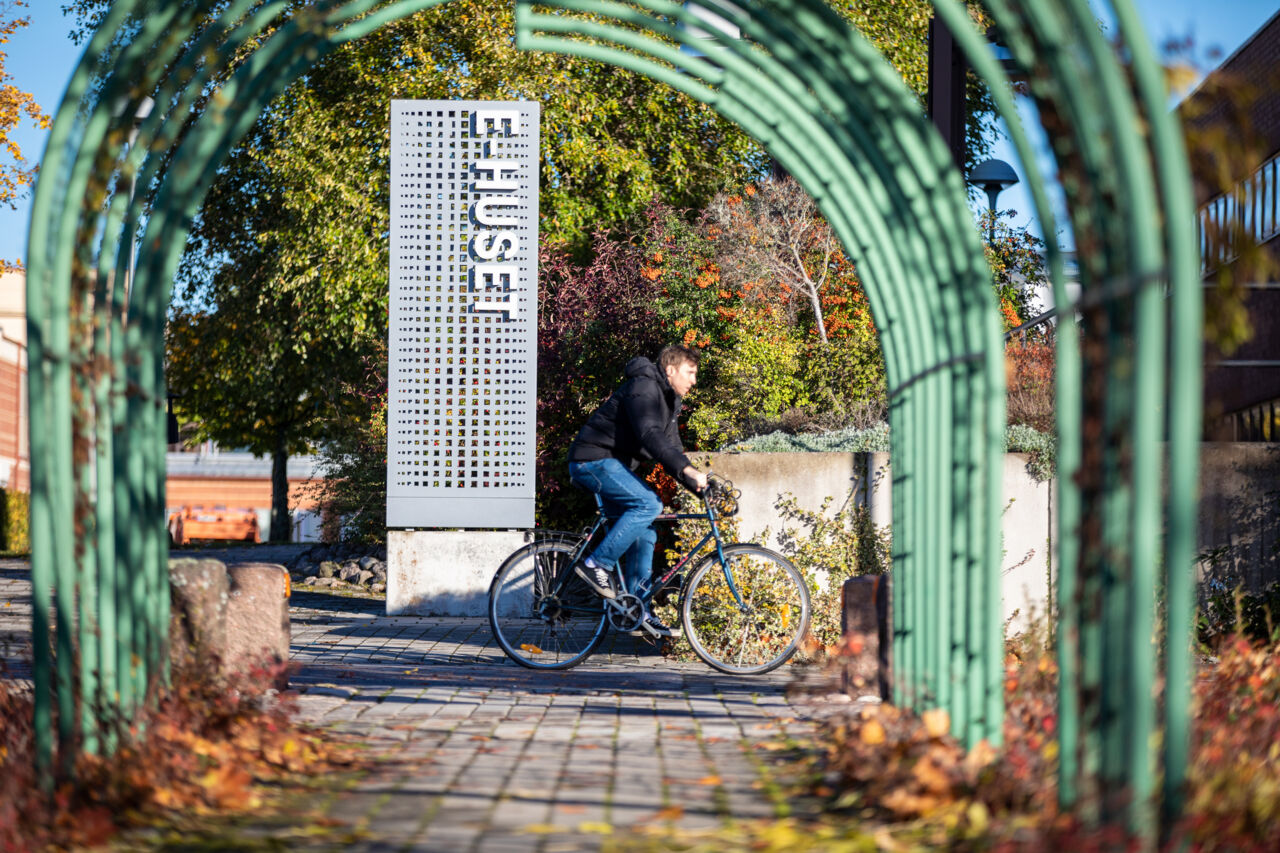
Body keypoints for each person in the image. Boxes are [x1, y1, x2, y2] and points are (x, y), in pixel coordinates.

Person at [567, 344, 709, 638]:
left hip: (612, 466)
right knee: (648, 504)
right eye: (690, 373)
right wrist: (688, 471)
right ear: (670, 369)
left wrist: (700, 487)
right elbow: (649, 434)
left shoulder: (670, 400)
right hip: (591, 460)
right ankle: (597, 564)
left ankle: (635, 609)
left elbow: (670, 451)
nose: (694, 380)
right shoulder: (644, 386)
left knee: (646, 532)